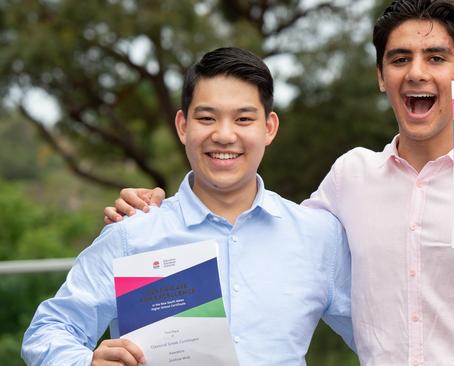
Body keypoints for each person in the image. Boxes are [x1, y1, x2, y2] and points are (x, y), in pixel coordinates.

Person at [106, 1, 454, 365]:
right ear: (382, 76)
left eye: (436, 58)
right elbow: (264, 239)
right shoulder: (349, 177)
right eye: (399, 59)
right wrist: (159, 219)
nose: (415, 73)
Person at [22, 47, 355, 366]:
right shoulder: (133, 234)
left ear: (269, 128)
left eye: (243, 119)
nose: (224, 135)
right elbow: (46, 332)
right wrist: (87, 361)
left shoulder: (317, 237)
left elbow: (382, 337)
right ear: (183, 126)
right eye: (207, 118)